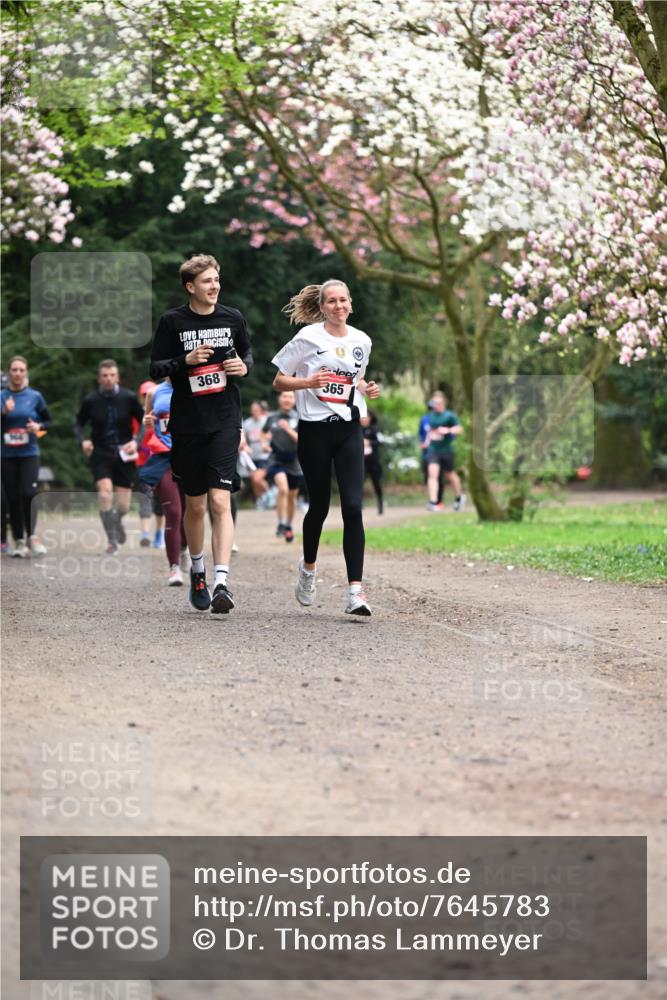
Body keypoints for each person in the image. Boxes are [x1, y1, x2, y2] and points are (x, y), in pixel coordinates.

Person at [149, 253, 253, 614]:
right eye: (207, 281)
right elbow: (155, 367)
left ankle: (221, 581)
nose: (215, 286)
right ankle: (197, 571)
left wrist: (243, 367)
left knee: (220, 500)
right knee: (195, 505)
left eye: (217, 279)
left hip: (225, 420)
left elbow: (247, 355)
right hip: (188, 424)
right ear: (190, 286)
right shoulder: (172, 321)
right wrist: (185, 361)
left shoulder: (233, 318)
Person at [272, 279, 380, 616]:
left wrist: (366, 388)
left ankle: (355, 592)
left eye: (343, 300)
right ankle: (308, 569)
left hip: (349, 429)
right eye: (331, 301)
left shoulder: (362, 340)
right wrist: (308, 382)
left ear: (350, 304)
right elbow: (278, 381)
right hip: (314, 431)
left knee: (353, 506)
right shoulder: (307, 338)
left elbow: (354, 381)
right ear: (322, 307)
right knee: (319, 506)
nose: (338, 306)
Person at [75, 359, 144, 554]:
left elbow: (144, 422)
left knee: (123, 505)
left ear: (118, 377)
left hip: (125, 453)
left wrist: (136, 442)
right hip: (101, 452)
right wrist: (83, 441)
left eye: (112, 375)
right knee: (105, 493)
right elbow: (78, 424)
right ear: (99, 378)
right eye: (105, 376)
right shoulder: (91, 400)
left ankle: (116, 519)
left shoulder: (128, 398)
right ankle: (112, 541)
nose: (108, 379)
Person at [1, 355, 51, 557]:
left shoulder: (35, 396)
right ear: (9, 372)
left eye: (21, 370)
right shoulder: (2, 396)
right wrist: (3, 413)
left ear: (26, 372)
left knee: (28, 494)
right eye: (14, 370)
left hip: (29, 453)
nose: (18, 373)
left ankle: (32, 536)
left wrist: (38, 427)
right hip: (6, 455)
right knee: (12, 498)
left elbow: (48, 424)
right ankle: (19, 541)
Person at [139, 379, 188, 586]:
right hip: (163, 457)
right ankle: (174, 567)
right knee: (174, 512)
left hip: (189, 457)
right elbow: (148, 423)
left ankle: (185, 548)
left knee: (190, 512)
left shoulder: (193, 384)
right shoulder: (154, 392)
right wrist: (148, 421)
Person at [263, 390, 303, 543]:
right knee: (283, 489)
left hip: (294, 461)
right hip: (276, 460)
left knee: (292, 497)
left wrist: (287, 429)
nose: (287, 399)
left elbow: (301, 440)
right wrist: (264, 444)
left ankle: (288, 526)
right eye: (284, 396)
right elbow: (263, 433)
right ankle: (281, 523)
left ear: (295, 400)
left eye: (290, 397)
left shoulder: (299, 417)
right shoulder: (272, 417)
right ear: (279, 399)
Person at [425, 390, 466, 512]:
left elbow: (460, 429)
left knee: (450, 474)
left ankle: (459, 496)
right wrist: (427, 441)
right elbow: (430, 431)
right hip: (433, 449)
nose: (436, 405)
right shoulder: (430, 416)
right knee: (432, 474)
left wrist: (447, 430)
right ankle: (433, 502)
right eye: (434, 403)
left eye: (438, 403)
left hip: (446, 450)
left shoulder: (449, 416)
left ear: (443, 403)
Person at [136, 380, 165, 548]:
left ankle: (159, 534)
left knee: (161, 500)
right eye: (144, 395)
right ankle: (145, 534)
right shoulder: (137, 416)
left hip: (161, 461)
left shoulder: (164, 410)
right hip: (143, 462)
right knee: (144, 496)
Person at [241, 400, 270, 506]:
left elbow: (271, 434)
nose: (254, 412)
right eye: (253, 410)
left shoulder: (266, 421)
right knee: (254, 480)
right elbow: (244, 439)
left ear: (261, 410)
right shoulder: (247, 423)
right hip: (252, 456)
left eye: (257, 410)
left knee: (258, 479)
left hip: (264, 455)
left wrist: (263, 440)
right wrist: (245, 447)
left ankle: (270, 493)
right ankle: (259, 501)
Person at [419, 398, 443, 507]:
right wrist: (422, 443)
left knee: (438, 476)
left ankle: (438, 501)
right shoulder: (424, 419)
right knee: (429, 477)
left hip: (438, 452)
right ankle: (433, 500)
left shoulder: (442, 419)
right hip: (427, 453)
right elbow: (420, 433)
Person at [361, 409, 384, 514]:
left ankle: (380, 503)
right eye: (362, 417)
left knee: (376, 483)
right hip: (361, 461)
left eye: (366, 417)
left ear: (370, 418)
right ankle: (359, 504)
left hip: (373, 461)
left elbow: (381, 442)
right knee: (358, 482)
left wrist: (369, 442)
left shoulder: (375, 429)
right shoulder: (357, 429)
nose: (364, 419)